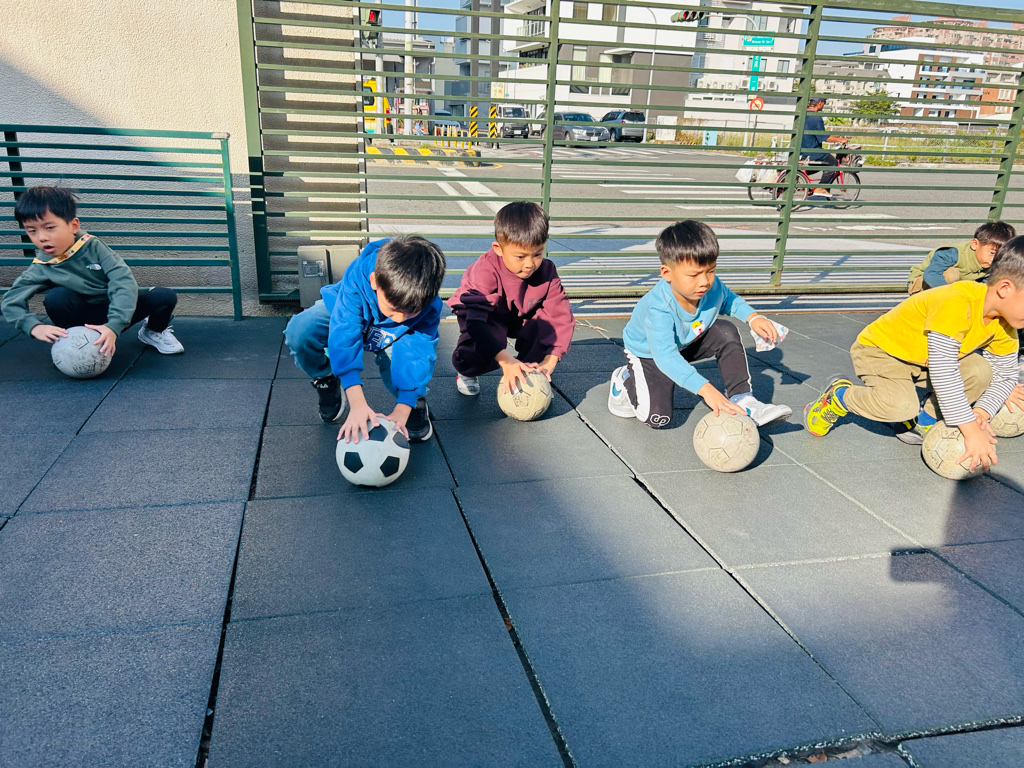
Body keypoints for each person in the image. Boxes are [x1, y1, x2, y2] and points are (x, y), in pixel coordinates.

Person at [803, 236, 1024, 469]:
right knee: (900, 406)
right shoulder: (958, 301)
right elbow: (944, 371)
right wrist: (970, 428)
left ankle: (921, 421)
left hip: (923, 360)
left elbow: (1005, 377)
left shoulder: (1006, 326)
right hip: (881, 352)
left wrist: (981, 412)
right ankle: (839, 397)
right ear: (1004, 288)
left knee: (980, 371)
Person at [606, 220, 792, 428]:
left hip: (683, 344)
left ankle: (743, 399)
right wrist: (707, 390)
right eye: (694, 275)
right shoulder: (658, 309)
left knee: (725, 331)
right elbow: (665, 357)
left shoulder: (711, 287)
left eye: (710, 271)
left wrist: (754, 318)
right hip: (650, 354)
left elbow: (729, 300)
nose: (704, 281)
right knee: (656, 418)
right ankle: (625, 378)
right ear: (667, 273)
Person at [283, 236, 446, 443]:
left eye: (412, 311)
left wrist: (405, 404)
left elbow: (419, 353)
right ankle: (325, 378)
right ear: (374, 281)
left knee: (404, 368)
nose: (400, 318)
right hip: (349, 312)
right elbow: (344, 336)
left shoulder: (428, 305)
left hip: (394, 333)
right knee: (301, 330)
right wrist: (357, 403)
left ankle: (414, 401)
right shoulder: (358, 278)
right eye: (394, 309)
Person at [1, 185, 182, 356]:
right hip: (80, 317)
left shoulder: (94, 247)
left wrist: (114, 325)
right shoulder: (42, 265)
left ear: (73, 225)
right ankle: (78, 342)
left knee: (164, 296)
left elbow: (123, 281)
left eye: (50, 228)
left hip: (113, 309)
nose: (42, 237)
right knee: (56, 297)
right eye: (32, 231)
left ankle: (152, 332)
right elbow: (10, 301)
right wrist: (33, 326)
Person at [448, 201, 574, 397]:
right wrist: (506, 360)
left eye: (537, 254)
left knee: (545, 324)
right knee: (484, 342)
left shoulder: (547, 271)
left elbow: (561, 316)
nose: (530, 264)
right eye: (521, 257)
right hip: (487, 317)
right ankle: (467, 371)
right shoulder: (484, 271)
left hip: (520, 315)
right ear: (498, 248)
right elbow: (475, 324)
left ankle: (530, 372)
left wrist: (550, 361)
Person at [907, 221, 1016, 295]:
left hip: (955, 290)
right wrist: (954, 294)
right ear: (975, 244)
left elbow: (985, 284)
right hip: (921, 286)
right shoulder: (954, 253)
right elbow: (931, 275)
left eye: (1000, 255)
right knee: (952, 274)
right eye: (992, 253)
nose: (995, 258)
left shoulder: (993, 263)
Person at [800, 97, 847, 202]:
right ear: (820, 103)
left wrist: (836, 138)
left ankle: (800, 177)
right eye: (824, 103)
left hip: (800, 150)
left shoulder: (802, 115)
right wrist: (841, 140)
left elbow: (819, 134)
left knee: (820, 165)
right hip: (812, 151)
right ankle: (820, 188)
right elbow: (824, 137)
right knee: (833, 162)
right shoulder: (816, 118)